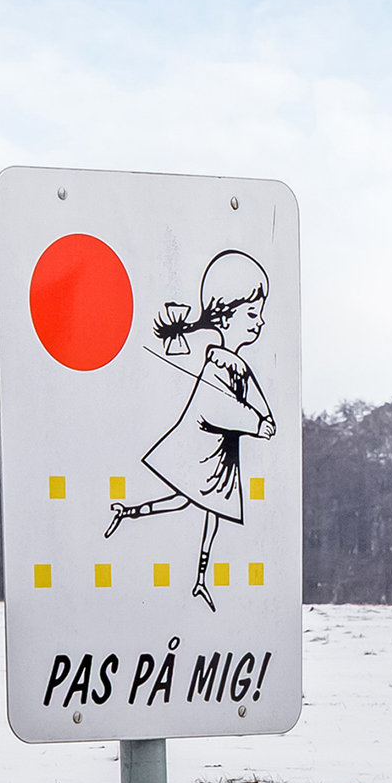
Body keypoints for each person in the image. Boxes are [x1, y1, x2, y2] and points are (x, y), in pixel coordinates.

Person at [106, 250, 275, 610]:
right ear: (226, 316)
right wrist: (255, 424)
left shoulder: (236, 362)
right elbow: (217, 409)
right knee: (193, 504)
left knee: (199, 508)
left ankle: (190, 571)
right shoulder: (217, 362)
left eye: (260, 313)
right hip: (203, 448)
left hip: (220, 455)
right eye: (251, 313)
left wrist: (265, 415)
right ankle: (138, 522)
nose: (260, 322)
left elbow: (253, 391)